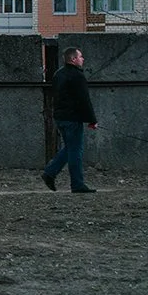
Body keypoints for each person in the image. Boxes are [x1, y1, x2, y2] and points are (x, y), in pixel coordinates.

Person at [41, 46, 98, 194]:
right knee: (75, 151)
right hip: (73, 118)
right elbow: (84, 99)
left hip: (61, 117)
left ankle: (50, 172)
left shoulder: (59, 74)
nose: (82, 59)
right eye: (80, 56)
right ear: (73, 59)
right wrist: (92, 119)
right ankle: (77, 184)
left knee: (69, 148)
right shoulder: (77, 76)